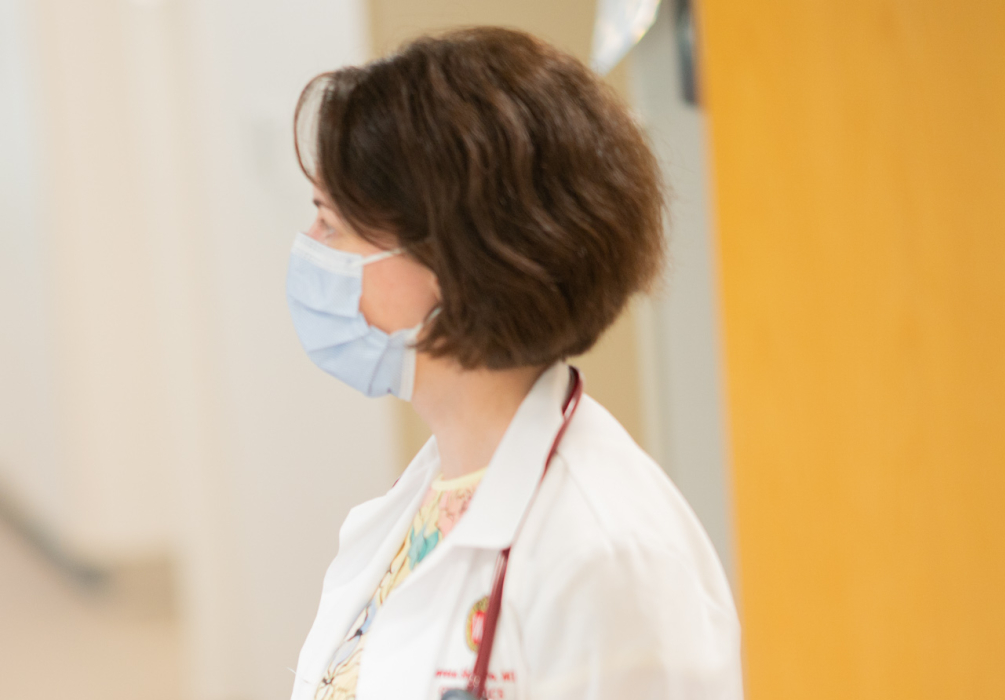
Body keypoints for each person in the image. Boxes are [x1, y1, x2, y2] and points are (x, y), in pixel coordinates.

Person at [282, 28, 741, 699]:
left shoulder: (608, 554)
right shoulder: (439, 490)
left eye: (332, 223)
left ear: (450, 260)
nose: (309, 250)